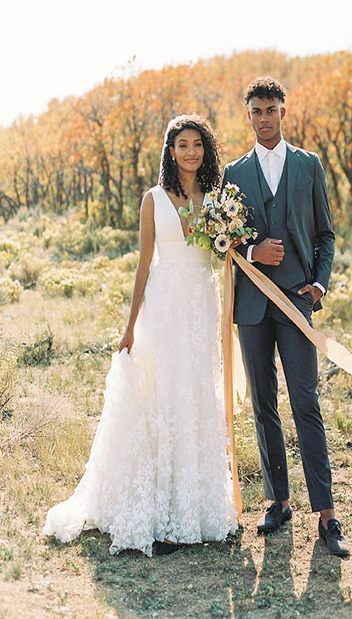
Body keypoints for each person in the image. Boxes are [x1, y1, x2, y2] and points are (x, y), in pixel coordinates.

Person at [43, 115, 238, 556]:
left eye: (197, 145)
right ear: (170, 151)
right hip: (164, 307)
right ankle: (160, 515)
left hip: (200, 305)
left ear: (205, 151)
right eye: (182, 145)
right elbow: (143, 264)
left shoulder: (217, 199)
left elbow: (224, 256)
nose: (191, 152)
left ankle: (199, 508)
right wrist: (130, 325)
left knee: (196, 395)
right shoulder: (153, 199)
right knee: (163, 398)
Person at [222, 76, 350, 557]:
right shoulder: (233, 173)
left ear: (283, 111)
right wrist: (254, 250)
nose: (263, 117)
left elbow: (326, 233)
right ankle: (278, 500)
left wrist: (318, 284)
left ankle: (328, 515)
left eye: (271, 109)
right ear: (248, 114)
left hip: (297, 302)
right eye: (256, 110)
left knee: (306, 403)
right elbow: (228, 243)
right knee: (263, 405)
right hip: (253, 308)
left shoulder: (308, 165)